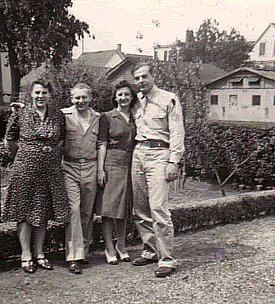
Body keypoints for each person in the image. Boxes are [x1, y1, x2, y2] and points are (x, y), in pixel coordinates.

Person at [3, 80, 69, 274]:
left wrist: (48, 153)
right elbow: (9, 140)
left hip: (50, 169)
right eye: (37, 93)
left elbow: (61, 140)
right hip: (25, 168)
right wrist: (26, 154)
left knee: (43, 210)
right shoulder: (20, 114)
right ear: (31, 94)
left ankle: (40, 253)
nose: (41, 96)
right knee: (24, 210)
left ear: (50, 95)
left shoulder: (58, 115)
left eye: (45, 93)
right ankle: (25, 254)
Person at [130, 62, 185, 277]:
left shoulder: (168, 99)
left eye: (144, 77)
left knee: (158, 208)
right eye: (137, 78)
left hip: (159, 155)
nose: (141, 81)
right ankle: (150, 250)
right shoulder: (137, 102)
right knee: (140, 209)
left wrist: (174, 161)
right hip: (139, 154)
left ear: (153, 77)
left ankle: (167, 259)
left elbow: (177, 131)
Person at [61, 83, 101, 274]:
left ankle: (83, 251)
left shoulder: (98, 118)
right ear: (71, 99)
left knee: (87, 211)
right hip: (69, 166)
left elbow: (102, 144)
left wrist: (100, 170)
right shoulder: (63, 116)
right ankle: (72, 256)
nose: (80, 101)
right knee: (74, 210)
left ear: (90, 98)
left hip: (91, 167)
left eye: (84, 97)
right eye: (77, 98)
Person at [97, 80, 137, 265]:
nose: (123, 98)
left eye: (127, 94)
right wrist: (101, 169)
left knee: (123, 209)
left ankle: (121, 245)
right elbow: (102, 144)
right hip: (111, 164)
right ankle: (109, 247)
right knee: (108, 209)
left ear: (132, 97)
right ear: (115, 97)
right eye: (120, 95)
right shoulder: (107, 117)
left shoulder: (136, 116)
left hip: (130, 165)